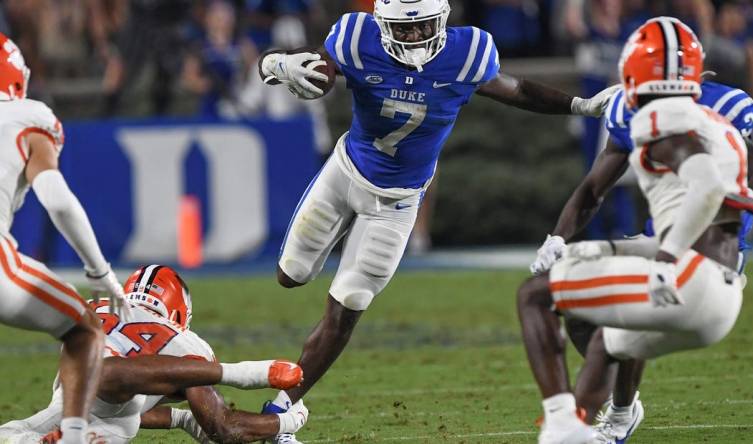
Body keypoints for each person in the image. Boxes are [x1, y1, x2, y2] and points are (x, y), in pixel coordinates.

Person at [256, 0, 618, 442]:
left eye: (423, 26)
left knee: (347, 306)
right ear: (382, 24)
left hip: (398, 203)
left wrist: (580, 105)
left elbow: (517, 89)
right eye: (402, 29)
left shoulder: (466, 54)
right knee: (289, 276)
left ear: (443, 20)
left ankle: (281, 410)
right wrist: (279, 64)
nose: (412, 38)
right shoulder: (356, 36)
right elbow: (317, 67)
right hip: (344, 175)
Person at [517, 16, 753, 443]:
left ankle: (573, 424)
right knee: (600, 330)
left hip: (693, 264)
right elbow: (592, 189)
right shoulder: (688, 117)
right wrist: (559, 238)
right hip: (674, 252)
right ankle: (610, 419)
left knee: (540, 297)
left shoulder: (673, 115)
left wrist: (682, 240)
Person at [0, 264, 309, 443]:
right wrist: (287, 422)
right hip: (107, 388)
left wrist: (179, 420)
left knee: (13, 433)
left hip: (77, 389)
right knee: (115, 399)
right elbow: (224, 427)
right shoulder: (187, 342)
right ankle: (239, 373)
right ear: (177, 310)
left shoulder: (95, 306)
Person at [0, 32, 128, 444]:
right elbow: (57, 200)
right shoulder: (27, 116)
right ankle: (73, 437)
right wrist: (99, 271)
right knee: (86, 329)